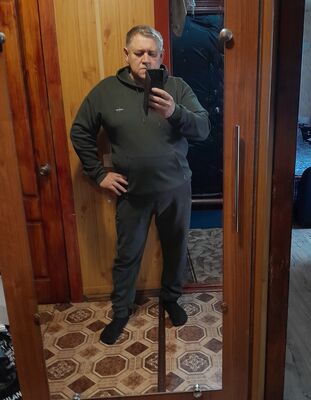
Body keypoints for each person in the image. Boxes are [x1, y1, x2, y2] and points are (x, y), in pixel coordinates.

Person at [70, 25, 210, 345]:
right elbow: (80, 131)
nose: (146, 59)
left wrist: (174, 112)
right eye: (139, 53)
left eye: (152, 53)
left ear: (161, 56)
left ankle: (171, 298)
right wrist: (98, 174)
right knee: (127, 254)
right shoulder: (106, 91)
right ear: (126, 54)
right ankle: (121, 310)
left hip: (175, 188)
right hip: (131, 192)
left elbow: (203, 128)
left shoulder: (177, 87)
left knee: (176, 247)